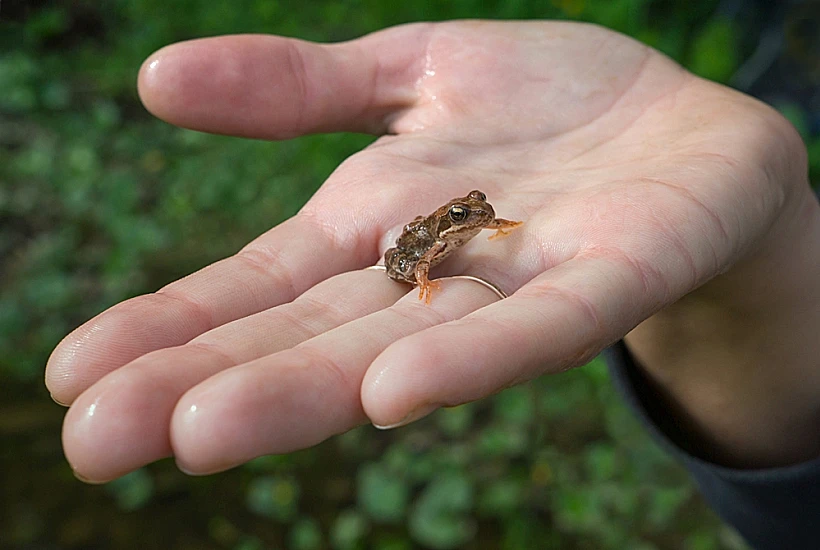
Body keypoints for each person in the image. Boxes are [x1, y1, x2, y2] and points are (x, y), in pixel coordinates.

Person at [44, 21, 819, 548]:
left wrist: (494, 228)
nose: (477, 217)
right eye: (468, 211)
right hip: (398, 258)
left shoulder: (468, 222)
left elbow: (480, 222)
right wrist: (417, 281)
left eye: (475, 213)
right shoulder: (431, 235)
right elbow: (412, 256)